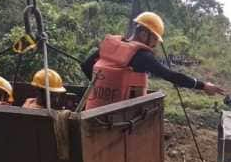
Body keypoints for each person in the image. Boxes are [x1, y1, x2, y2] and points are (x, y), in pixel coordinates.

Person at [81, 12, 223, 110]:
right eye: (154, 38)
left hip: (93, 109)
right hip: (117, 118)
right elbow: (171, 76)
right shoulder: (142, 56)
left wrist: (103, 88)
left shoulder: (113, 45)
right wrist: (203, 86)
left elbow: (86, 65)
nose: (155, 44)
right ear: (143, 34)